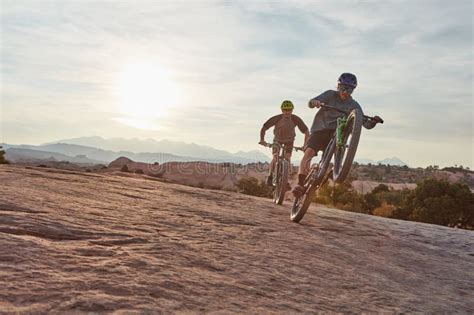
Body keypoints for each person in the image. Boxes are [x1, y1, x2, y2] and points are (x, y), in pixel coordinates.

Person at [292, 73, 383, 196]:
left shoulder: (354, 105)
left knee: (327, 165)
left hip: (337, 136)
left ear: (353, 90)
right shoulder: (329, 94)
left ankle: (318, 184)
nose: (345, 92)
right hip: (320, 130)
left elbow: (365, 124)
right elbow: (310, 103)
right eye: (343, 88)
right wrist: (315, 102)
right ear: (338, 86)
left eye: (349, 89)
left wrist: (373, 122)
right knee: (309, 153)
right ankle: (300, 184)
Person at [259, 100, 309, 186]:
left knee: (287, 158)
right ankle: (270, 176)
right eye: (285, 110)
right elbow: (264, 128)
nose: (287, 112)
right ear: (282, 110)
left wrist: (305, 145)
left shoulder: (295, 119)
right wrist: (262, 140)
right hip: (277, 140)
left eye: (289, 110)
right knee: (275, 157)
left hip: (289, 141)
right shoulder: (277, 118)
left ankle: (285, 180)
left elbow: (306, 132)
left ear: (292, 110)